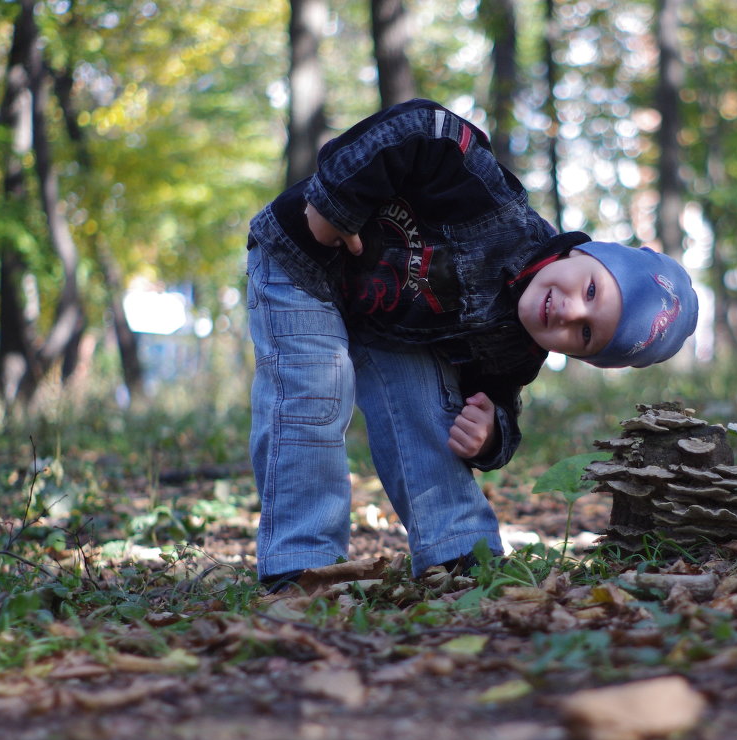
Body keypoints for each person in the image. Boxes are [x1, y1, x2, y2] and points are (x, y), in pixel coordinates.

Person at [246, 99, 698, 591]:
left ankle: (457, 552)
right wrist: (335, 205)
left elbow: (499, 397)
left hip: (390, 327)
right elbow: (422, 125)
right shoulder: (494, 206)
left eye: (586, 334)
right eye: (590, 289)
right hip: (304, 260)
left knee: (431, 410)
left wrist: (490, 431)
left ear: (579, 357)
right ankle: (301, 564)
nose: (570, 312)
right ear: (578, 252)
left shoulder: (516, 350)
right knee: (313, 394)